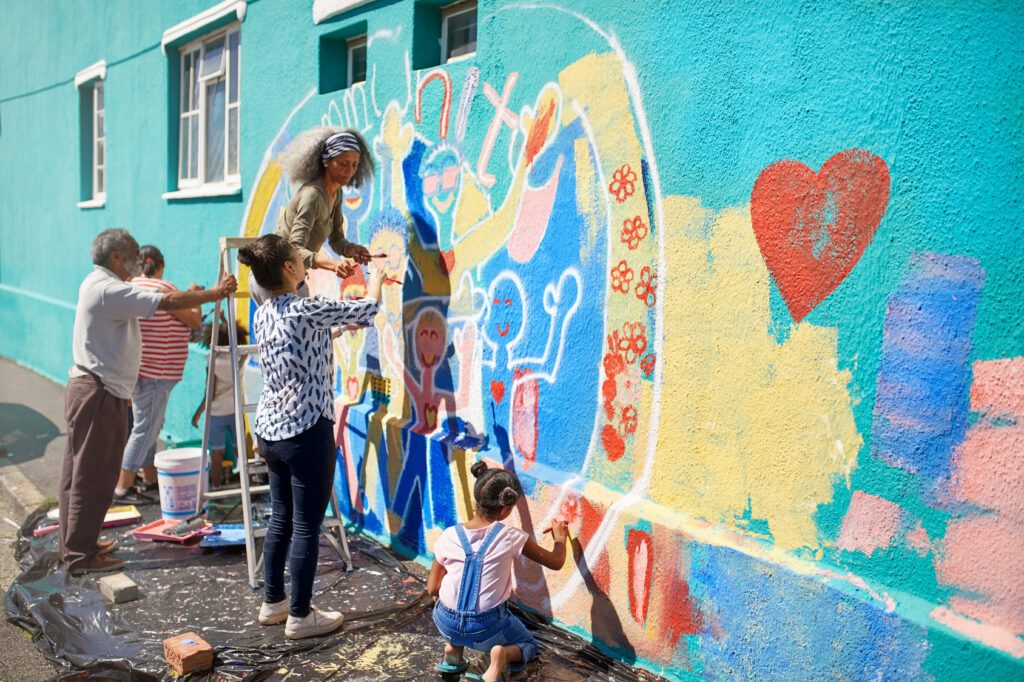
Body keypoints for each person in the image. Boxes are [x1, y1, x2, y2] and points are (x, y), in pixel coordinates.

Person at [61, 229, 236, 575]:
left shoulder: (101, 285)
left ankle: (80, 544)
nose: (138, 261)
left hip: (102, 389)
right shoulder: (110, 288)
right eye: (131, 254)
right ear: (114, 258)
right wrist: (215, 294)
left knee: (86, 471)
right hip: (99, 392)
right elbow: (170, 304)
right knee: (92, 475)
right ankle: (80, 556)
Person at [239, 233, 384, 639]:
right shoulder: (306, 307)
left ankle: (274, 603)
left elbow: (304, 339)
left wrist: (337, 327)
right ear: (288, 269)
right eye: (299, 260)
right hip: (306, 429)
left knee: (281, 520)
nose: (306, 264)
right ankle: (301, 616)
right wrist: (377, 275)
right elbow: (368, 308)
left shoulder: (263, 312)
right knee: (306, 525)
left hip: (270, 431)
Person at [427, 461, 568, 681]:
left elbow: (432, 588)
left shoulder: (448, 535)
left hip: (445, 621)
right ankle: (500, 657)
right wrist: (560, 539)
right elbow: (556, 562)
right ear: (504, 510)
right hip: (487, 626)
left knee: (454, 608)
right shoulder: (511, 537)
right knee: (528, 644)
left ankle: (453, 650)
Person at [247, 128, 375, 306]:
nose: (349, 170)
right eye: (343, 163)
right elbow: (295, 247)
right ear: (327, 162)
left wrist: (351, 249)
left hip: (291, 279)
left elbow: (337, 239)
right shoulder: (312, 195)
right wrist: (333, 264)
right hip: (273, 280)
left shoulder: (336, 194)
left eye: (354, 165)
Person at [114, 246, 202, 503]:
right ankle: (123, 487)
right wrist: (193, 294)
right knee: (145, 429)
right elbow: (193, 320)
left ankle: (150, 477)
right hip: (158, 371)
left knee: (148, 426)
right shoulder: (164, 287)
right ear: (160, 266)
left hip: (136, 369)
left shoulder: (130, 285)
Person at [191, 319, 249, 489]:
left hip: (216, 413)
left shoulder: (213, 362)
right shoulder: (239, 358)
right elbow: (231, 334)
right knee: (241, 452)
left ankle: (216, 487)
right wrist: (224, 319)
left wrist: (198, 412)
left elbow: (211, 392)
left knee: (216, 453)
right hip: (235, 411)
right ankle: (250, 489)